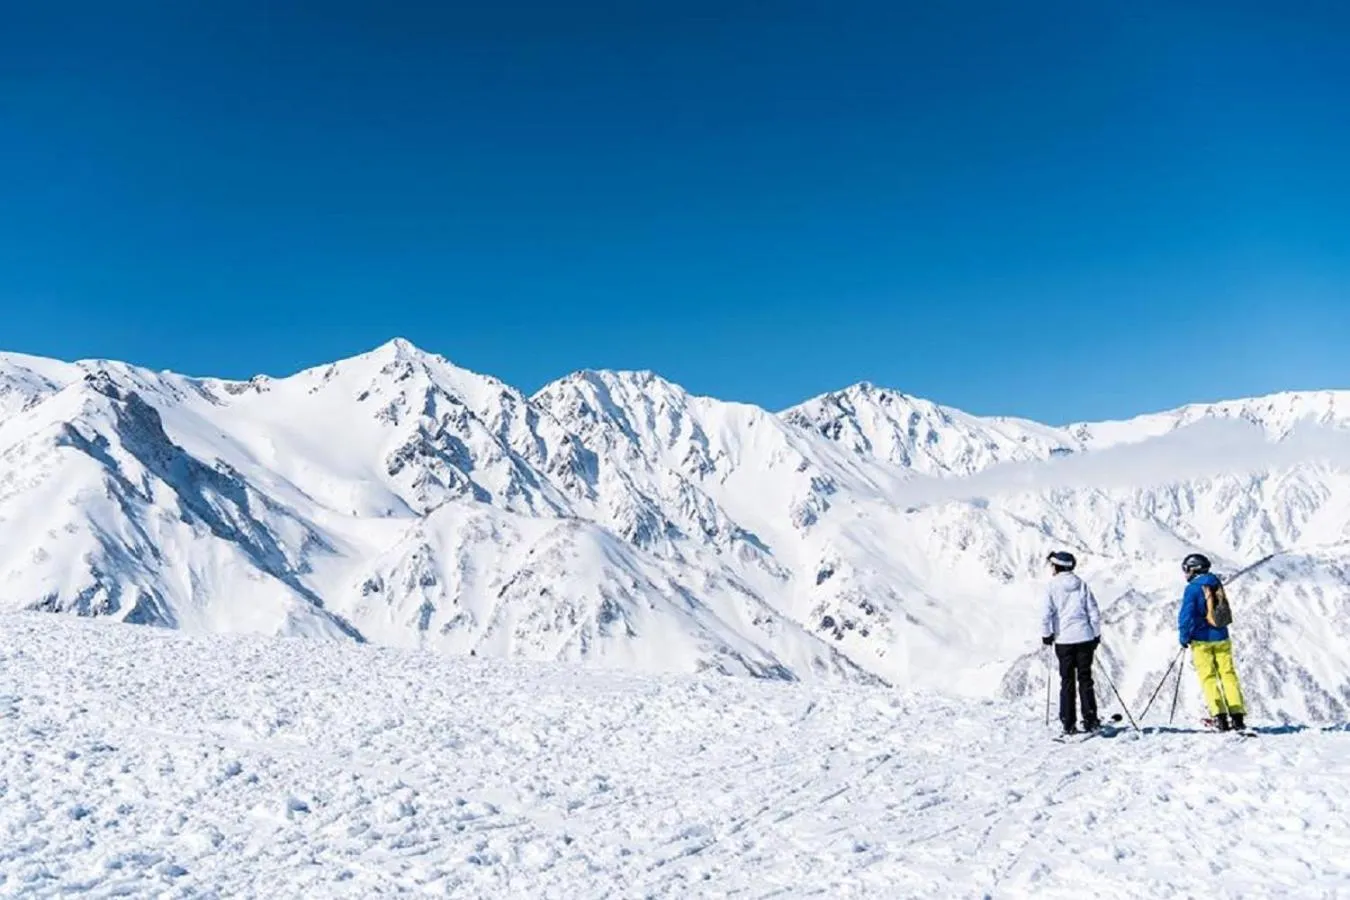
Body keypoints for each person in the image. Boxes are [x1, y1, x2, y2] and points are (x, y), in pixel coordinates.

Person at [1178, 553, 1247, 732]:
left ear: (1193, 569)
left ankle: (1220, 717)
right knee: (1228, 675)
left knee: (1209, 678)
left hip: (1202, 640)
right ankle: (1237, 717)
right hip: (1222, 637)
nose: (1185, 573)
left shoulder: (1192, 589)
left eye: (1186, 569)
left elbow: (1186, 616)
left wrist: (1184, 637)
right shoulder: (1215, 583)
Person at [1040, 551, 1103, 734]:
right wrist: (1095, 635)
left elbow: (1046, 614)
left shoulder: (1051, 587)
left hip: (1064, 640)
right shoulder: (1082, 585)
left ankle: (1068, 723)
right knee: (1085, 679)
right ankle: (1090, 719)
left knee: (1067, 681)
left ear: (1057, 567)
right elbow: (1094, 612)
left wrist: (1047, 635)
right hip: (1085, 637)